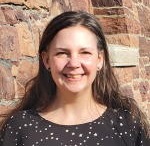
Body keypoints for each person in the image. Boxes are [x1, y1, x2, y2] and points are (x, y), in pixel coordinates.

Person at [0, 11, 150, 146]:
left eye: (84, 52)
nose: (73, 63)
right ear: (46, 60)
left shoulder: (128, 126)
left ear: (99, 59)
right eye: (62, 53)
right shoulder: (19, 128)